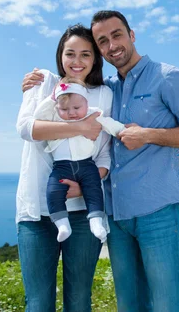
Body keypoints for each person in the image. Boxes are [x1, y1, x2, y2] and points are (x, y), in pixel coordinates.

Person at [23, 11, 179, 312]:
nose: (112, 45)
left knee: (167, 303)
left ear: (131, 34)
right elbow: (69, 91)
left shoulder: (168, 77)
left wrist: (149, 134)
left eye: (117, 35)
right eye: (102, 41)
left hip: (158, 211)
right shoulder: (107, 90)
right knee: (130, 305)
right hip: (117, 217)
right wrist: (40, 79)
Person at [16, 24, 112, 312]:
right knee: (39, 302)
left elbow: (105, 154)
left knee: (79, 299)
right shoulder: (44, 82)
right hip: (35, 211)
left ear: (95, 59)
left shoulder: (104, 95)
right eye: (70, 53)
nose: (77, 61)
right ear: (60, 55)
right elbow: (26, 128)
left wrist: (86, 186)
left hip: (83, 212)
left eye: (86, 54)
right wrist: (79, 127)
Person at [34, 77, 125, 243]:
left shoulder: (93, 114)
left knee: (94, 190)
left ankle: (96, 222)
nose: (71, 112)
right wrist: (53, 96)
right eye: (65, 109)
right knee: (53, 192)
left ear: (86, 103)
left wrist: (123, 131)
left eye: (77, 107)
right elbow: (37, 115)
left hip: (87, 164)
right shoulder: (54, 118)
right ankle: (62, 225)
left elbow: (109, 124)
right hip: (61, 167)